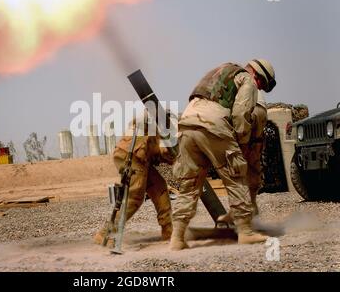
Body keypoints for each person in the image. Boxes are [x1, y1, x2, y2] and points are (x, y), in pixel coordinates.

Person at [170, 59, 277, 250]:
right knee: (236, 175)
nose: (259, 87)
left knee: (189, 183)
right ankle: (246, 232)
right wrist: (240, 145)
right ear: (258, 76)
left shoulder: (219, 70)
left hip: (186, 123)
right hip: (212, 124)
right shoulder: (248, 79)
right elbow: (240, 114)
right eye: (262, 84)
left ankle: (177, 238)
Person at [94, 113, 176, 245]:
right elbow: (163, 149)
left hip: (142, 157)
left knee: (159, 187)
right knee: (135, 197)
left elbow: (160, 151)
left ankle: (168, 231)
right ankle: (105, 234)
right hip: (132, 155)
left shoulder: (161, 126)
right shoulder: (161, 124)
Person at [217, 91, 268, 224]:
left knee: (237, 161)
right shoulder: (250, 82)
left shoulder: (234, 80)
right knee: (254, 157)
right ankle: (252, 209)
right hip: (261, 108)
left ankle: (241, 213)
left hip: (243, 109)